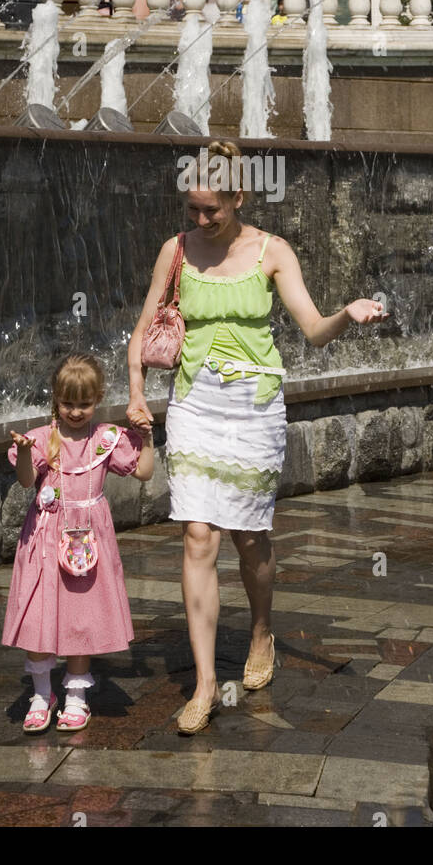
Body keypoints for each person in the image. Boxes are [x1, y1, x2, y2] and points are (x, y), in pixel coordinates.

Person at [126, 139, 387, 735]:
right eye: (191, 208)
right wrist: (138, 394)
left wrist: (348, 313)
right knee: (197, 537)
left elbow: (314, 330)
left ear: (239, 198)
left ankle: (262, 627)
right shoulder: (176, 251)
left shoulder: (273, 252)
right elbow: (141, 334)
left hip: (254, 408)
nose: (199, 219)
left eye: (210, 209)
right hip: (193, 401)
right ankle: (203, 684)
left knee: (248, 539)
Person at [2, 353, 154, 733]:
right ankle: (41, 694)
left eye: (84, 404)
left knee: (80, 619)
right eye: (68, 403)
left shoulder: (105, 439)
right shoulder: (42, 439)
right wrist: (23, 452)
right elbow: (25, 481)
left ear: (98, 398)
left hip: (88, 544)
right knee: (38, 615)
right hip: (45, 542)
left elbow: (144, 472)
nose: (75, 411)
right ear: (56, 399)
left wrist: (148, 438)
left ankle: (75, 696)